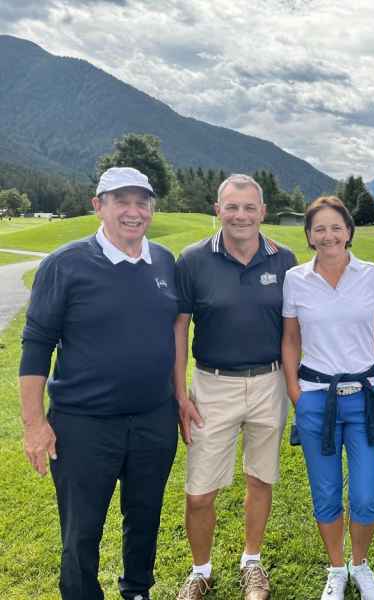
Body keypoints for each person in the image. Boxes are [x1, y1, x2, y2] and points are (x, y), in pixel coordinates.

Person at [19, 167, 178, 600]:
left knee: (145, 517)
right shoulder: (64, 264)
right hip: (83, 425)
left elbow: (174, 333)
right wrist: (34, 424)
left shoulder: (164, 261)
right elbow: (36, 345)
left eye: (142, 202)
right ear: (98, 206)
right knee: (81, 529)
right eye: (121, 201)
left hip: (153, 419)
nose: (133, 211)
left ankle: (138, 591)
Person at [173, 174, 297, 600]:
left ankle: (252, 562)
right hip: (212, 386)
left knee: (260, 479)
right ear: (218, 210)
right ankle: (200, 571)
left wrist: (296, 387)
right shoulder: (192, 260)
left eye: (249, 207)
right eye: (232, 207)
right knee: (199, 492)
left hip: (270, 383)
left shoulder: (284, 260)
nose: (240, 215)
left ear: (262, 212)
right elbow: (179, 329)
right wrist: (180, 394)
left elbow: (294, 330)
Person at [281, 196, 374, 600]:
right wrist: (296, 393)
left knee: (365, 496)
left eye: (336, 227)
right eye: (319, 229)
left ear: (348, 231)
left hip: (365, 398)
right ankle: (336, 568)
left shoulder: (371, 275)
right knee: (325, 493)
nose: (328, 235)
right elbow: (290, 339)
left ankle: (359, 565)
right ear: (309, 236)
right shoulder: (295, 279)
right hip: (315, 398)